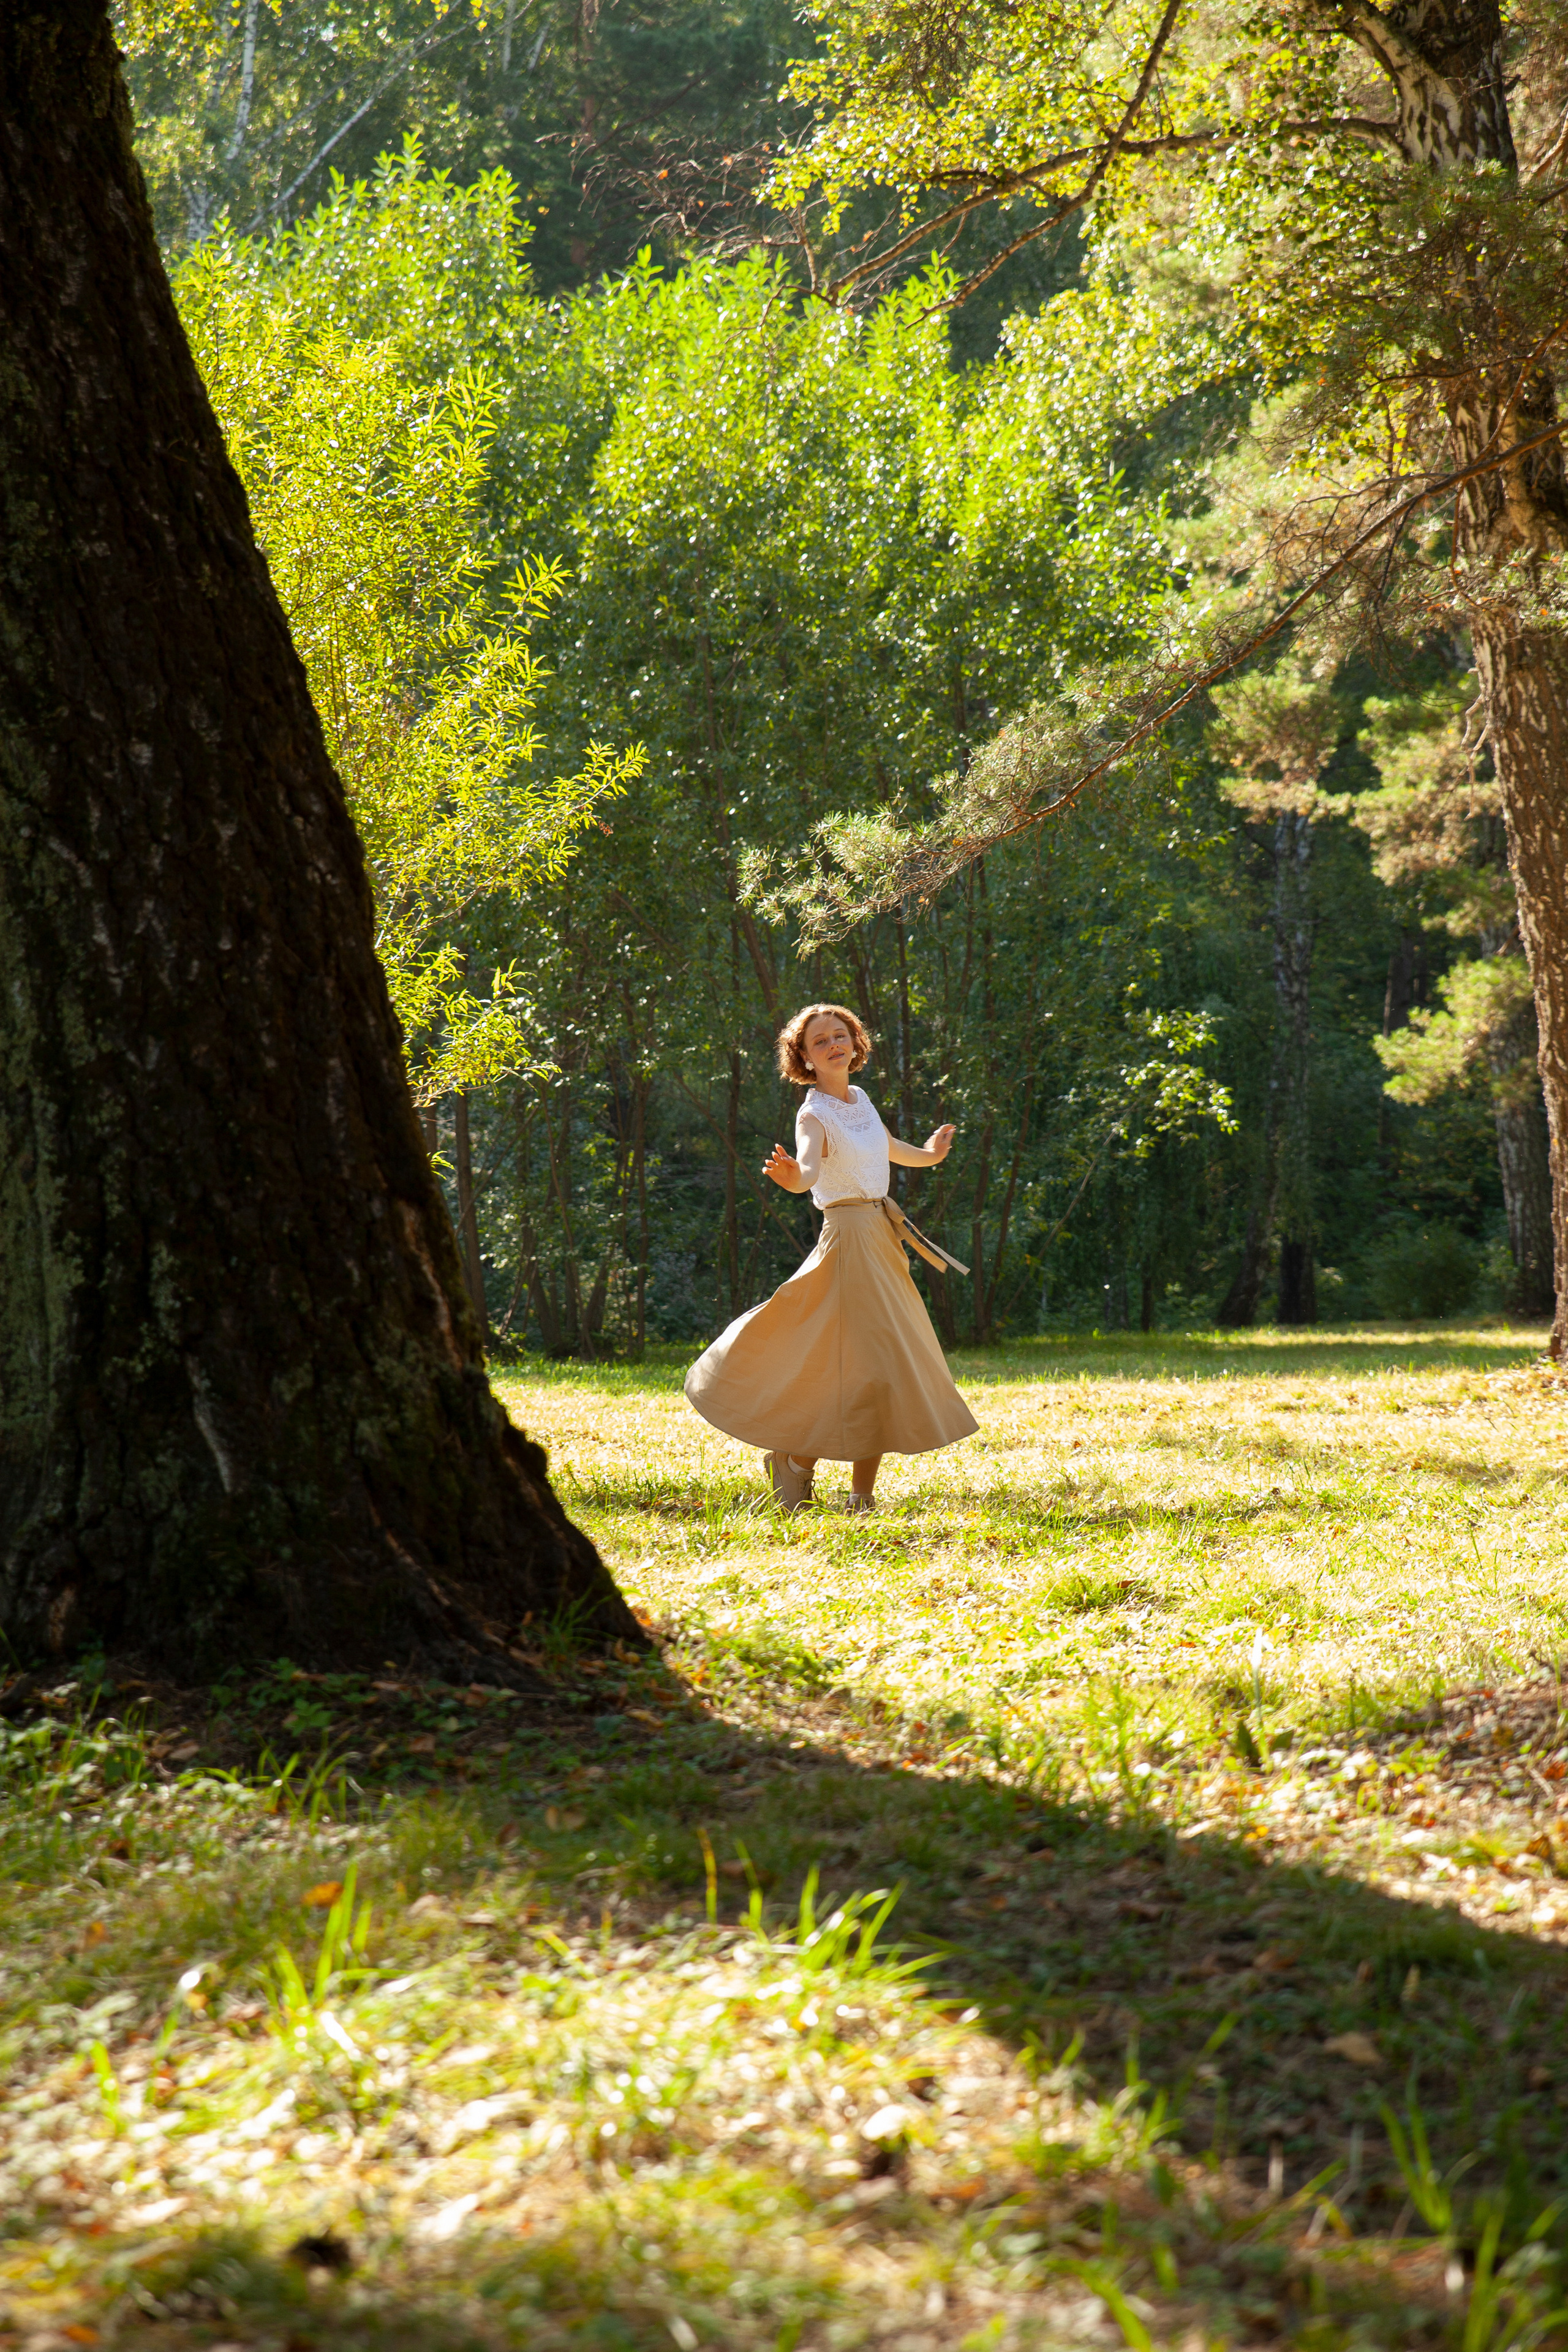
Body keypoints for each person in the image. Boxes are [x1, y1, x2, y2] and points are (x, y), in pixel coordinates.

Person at [684, 1002, 978, 1512]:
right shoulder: (813, 1113)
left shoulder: (861, 1099)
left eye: (840, 1035)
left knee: (881, 1368)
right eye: (820, 1041)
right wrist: (793, 1179)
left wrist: (931, 1154)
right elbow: (807, 1169)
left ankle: (853, 1494)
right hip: (849, 1241)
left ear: (856, 1043)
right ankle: (796, 1462)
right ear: (804, 1057)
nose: (834, 1045)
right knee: (865, 1366)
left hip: (882, 1240)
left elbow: (887, 1147)